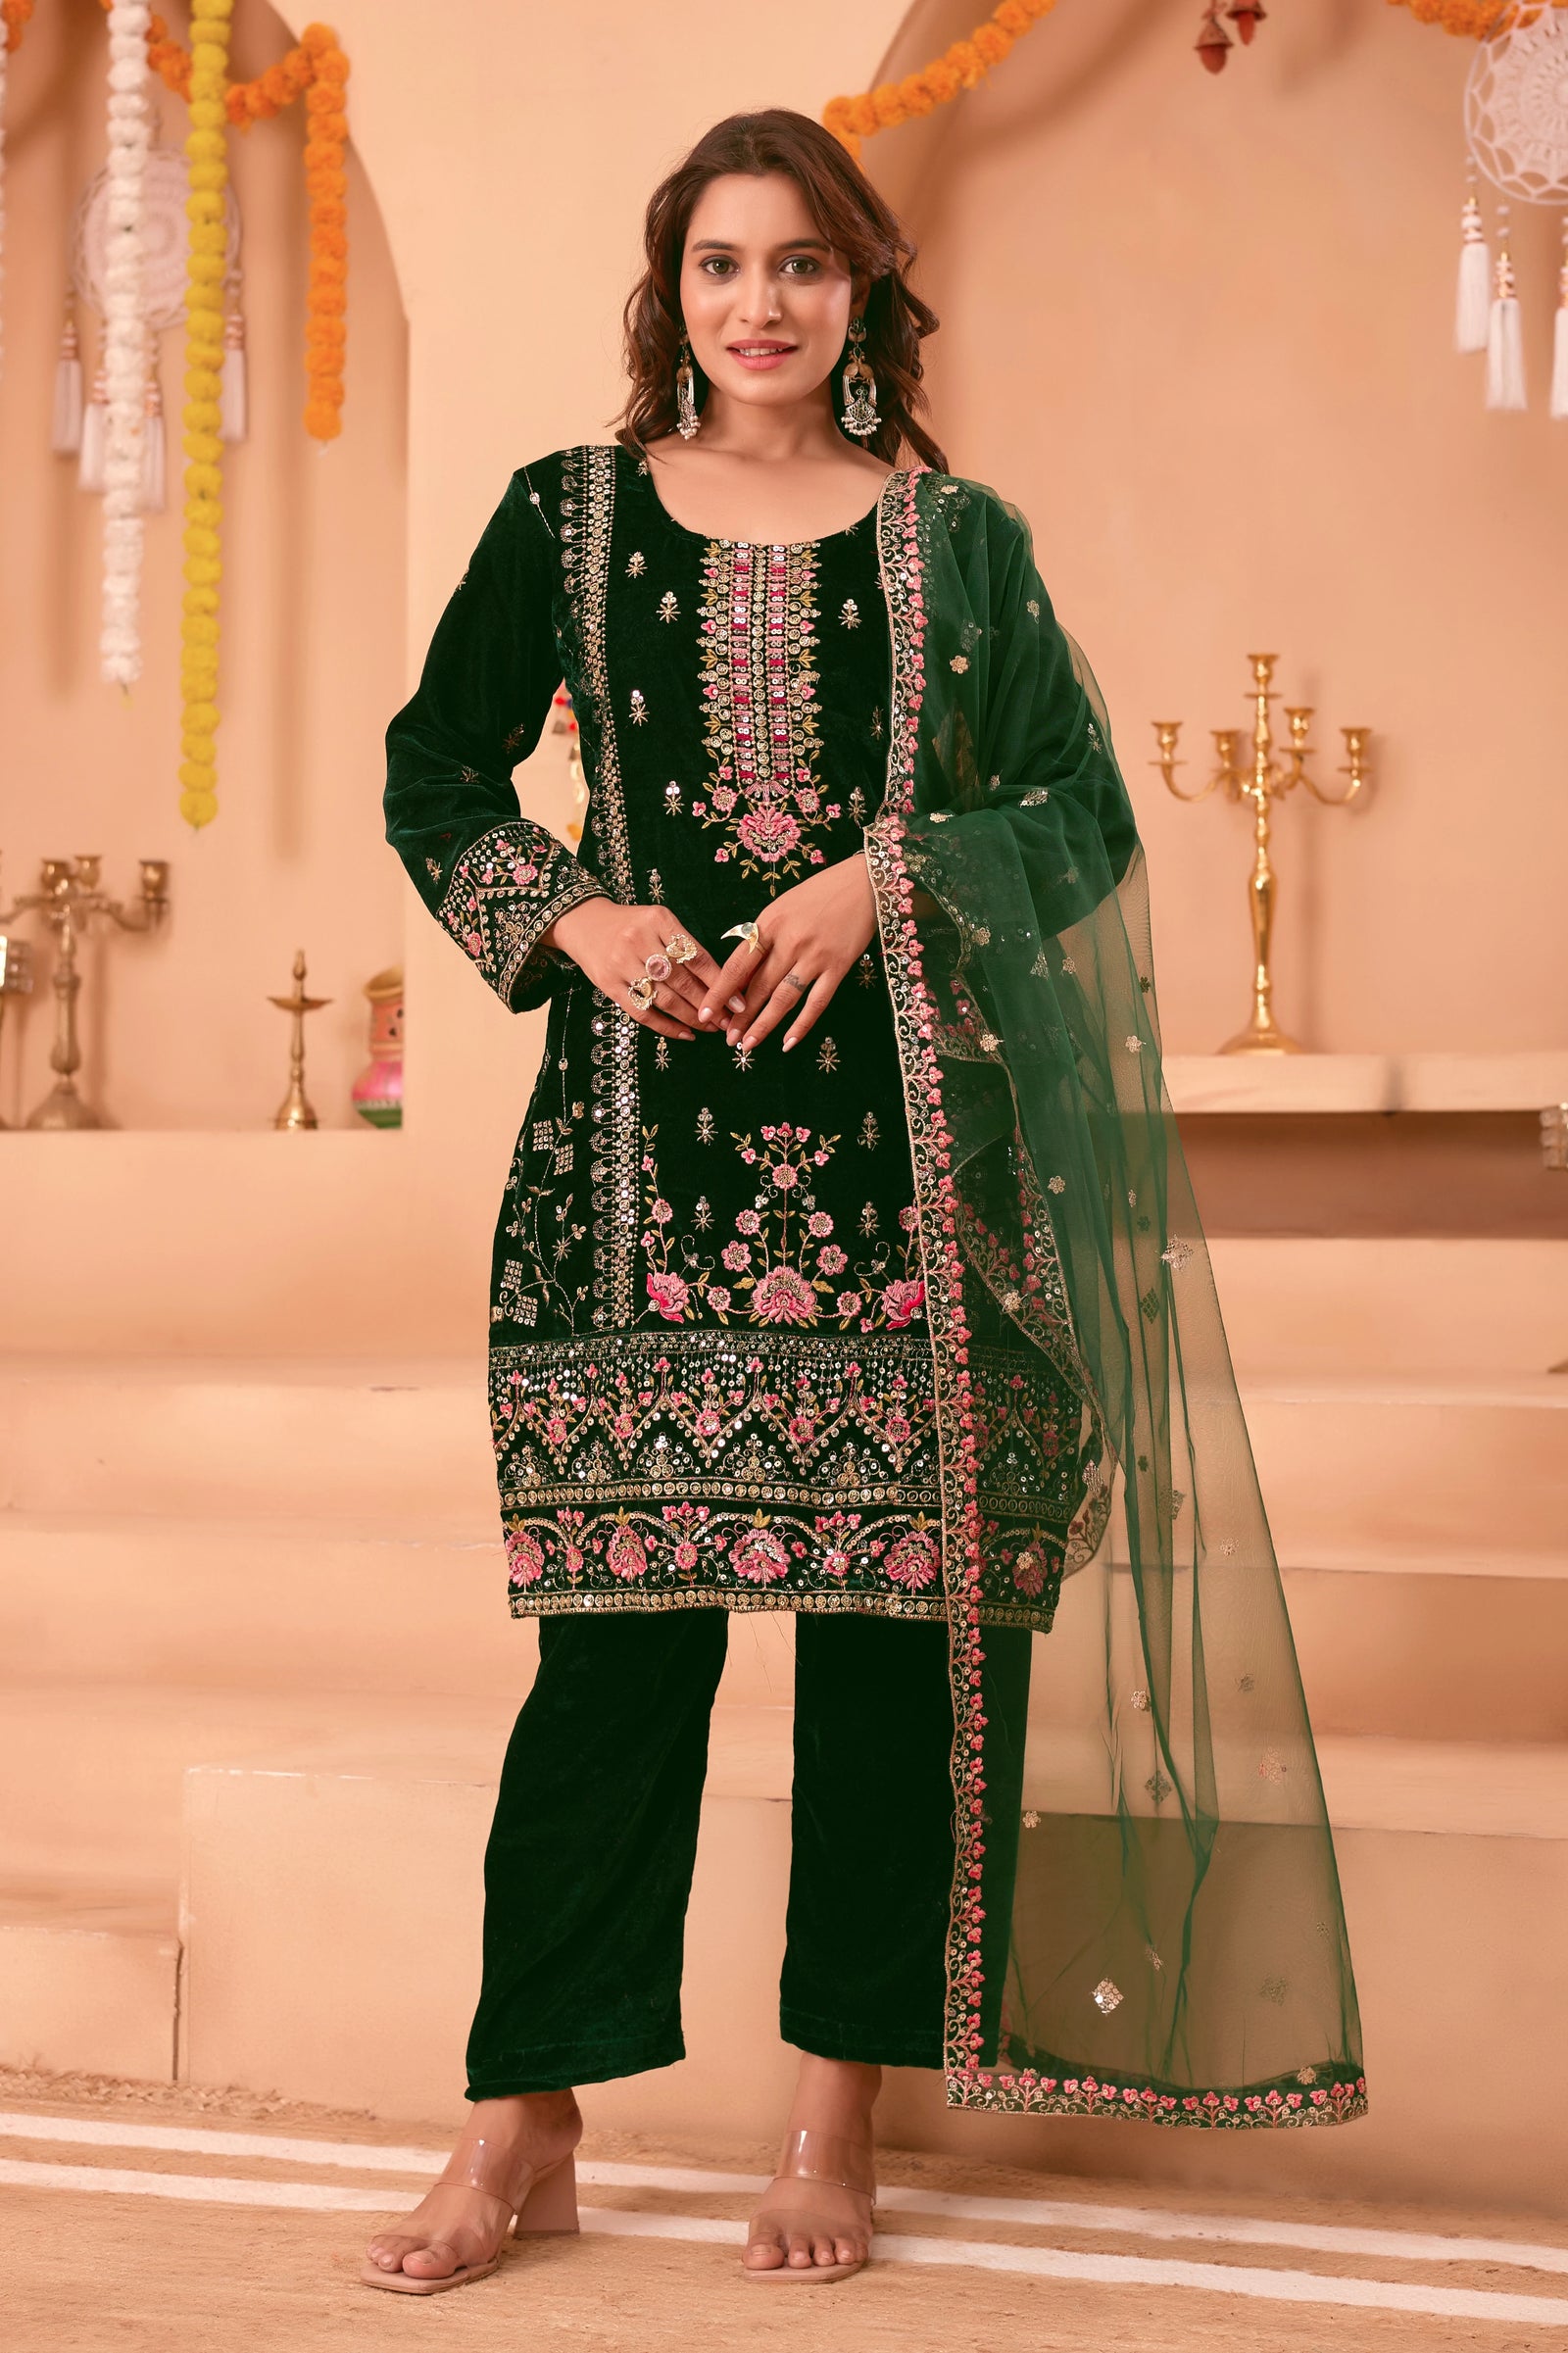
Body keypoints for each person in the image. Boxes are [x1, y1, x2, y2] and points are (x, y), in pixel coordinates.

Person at [367, 108, 1365, 2299]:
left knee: (895, 1673)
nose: (759, 306)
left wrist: (885, 868)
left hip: (917, 1185)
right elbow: (432, 770)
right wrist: (581, 919)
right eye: (721, 266)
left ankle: (837, 2116)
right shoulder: (567, 519)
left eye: (801, 266)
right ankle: (519, 2111)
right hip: (629, 1177)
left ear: (861, 290)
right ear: (672, 289)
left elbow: (1079, 816)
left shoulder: (956, 543)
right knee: (609, 1665)